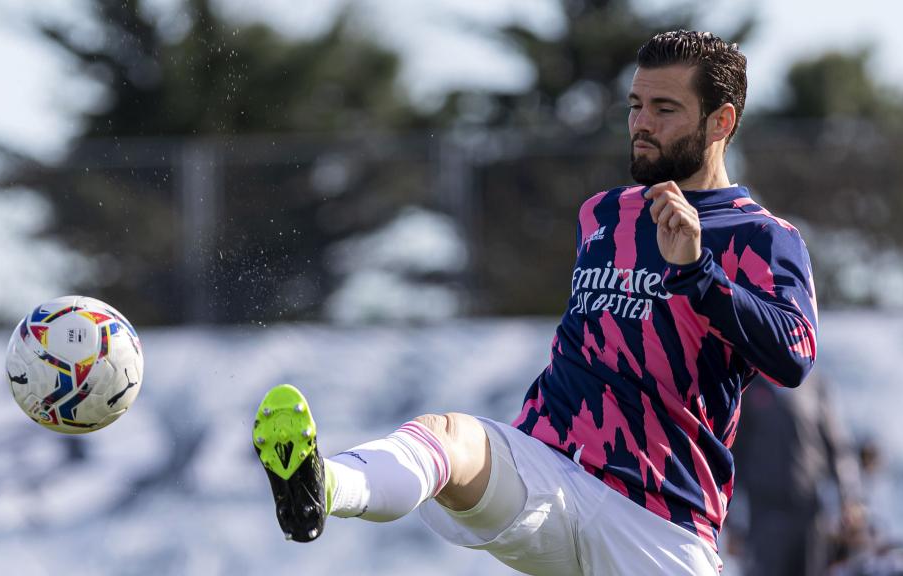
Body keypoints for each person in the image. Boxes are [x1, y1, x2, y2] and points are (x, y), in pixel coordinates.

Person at [252, 30, 818, 576]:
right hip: (549, 469)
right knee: (448, 437)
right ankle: (322, 488)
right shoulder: (602, 213)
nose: (642, 123)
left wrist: (698, 273)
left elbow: (794, 356)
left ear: (721, 122)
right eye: (636, 104)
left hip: (660, 519)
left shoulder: (762, 236)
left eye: (665, 109)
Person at [728, 373, 867, 576]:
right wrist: (733, 522)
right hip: (764, 517)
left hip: (810, 515)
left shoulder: (816, 386)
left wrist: (850, 499)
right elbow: (733, 456)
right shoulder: (747, 386)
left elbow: (838, 447)